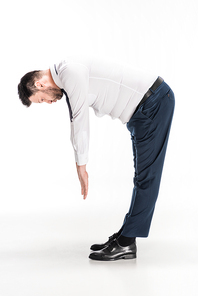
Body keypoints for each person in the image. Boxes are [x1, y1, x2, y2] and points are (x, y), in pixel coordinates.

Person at [18, 56, 175, 261]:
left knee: (146, 177)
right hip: (145, 109)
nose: (48, 102)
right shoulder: (66, 75)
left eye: (41, 99)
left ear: (40, 84)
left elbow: (79, 119)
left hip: (153, 103)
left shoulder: (70, 73)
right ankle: (125, 236)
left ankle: (126, 243)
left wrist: (81, 166)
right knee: (142, 177)